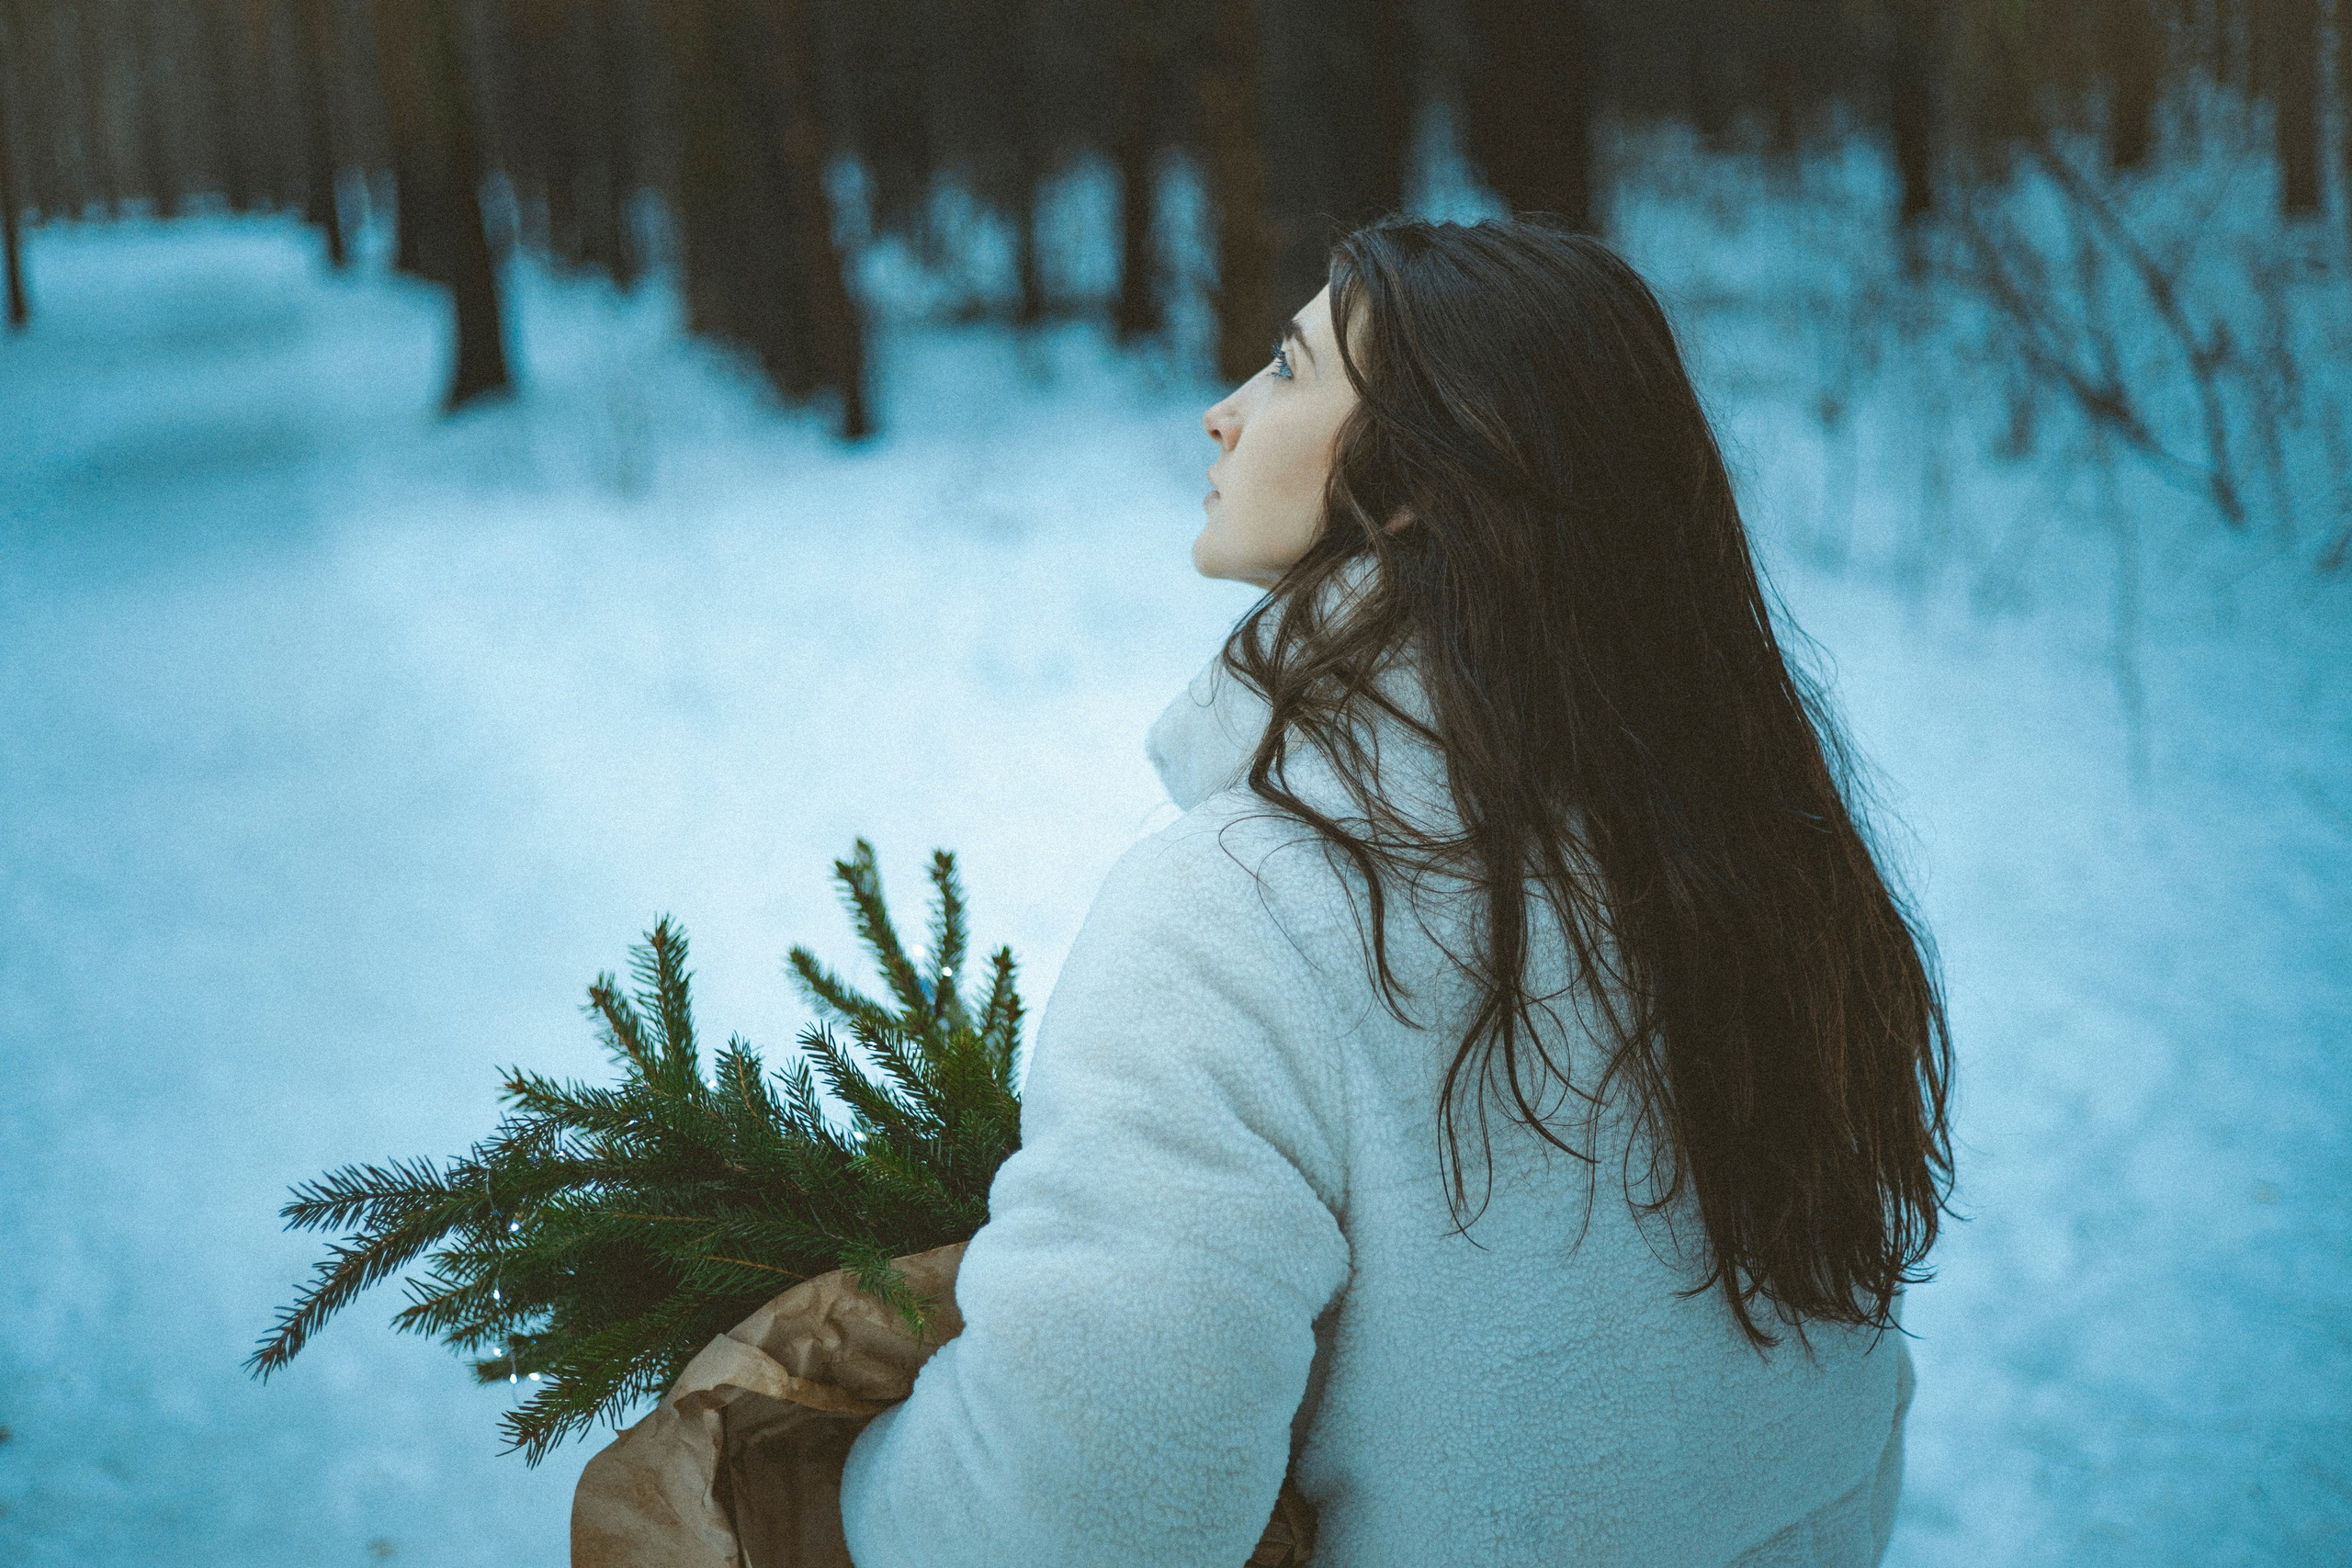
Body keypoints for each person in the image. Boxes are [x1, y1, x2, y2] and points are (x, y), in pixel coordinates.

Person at [838, 218, 1952, 1566]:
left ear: (1418, 477)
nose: (1222, 412)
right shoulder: (1760, 867)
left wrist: (842, 1477)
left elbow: (1075, 1512)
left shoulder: (1242, 919)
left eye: (1286, 370)